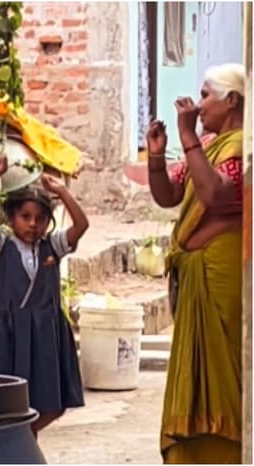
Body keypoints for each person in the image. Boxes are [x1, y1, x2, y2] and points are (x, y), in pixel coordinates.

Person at [145, 63, 245, 464]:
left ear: (232, 100)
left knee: (222, 367)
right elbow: (170, 194)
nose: (198, 104)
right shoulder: (208, 145)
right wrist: (156, 156)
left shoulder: (239, 147)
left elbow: (215, 196)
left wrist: (187, 136)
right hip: (194, 277)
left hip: (220, 276)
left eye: (206, 95)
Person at [0, 155, 88, 436]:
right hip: (11, 332)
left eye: (40, 218)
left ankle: (24, 436)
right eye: (25, 217)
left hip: (46, 332)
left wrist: (61, 191)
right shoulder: (2, 245)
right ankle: (20, 442)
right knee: (9, 400)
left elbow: (81, 226)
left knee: (51, 402)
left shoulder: (53, 246)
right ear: (12, 218)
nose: (33, 224)